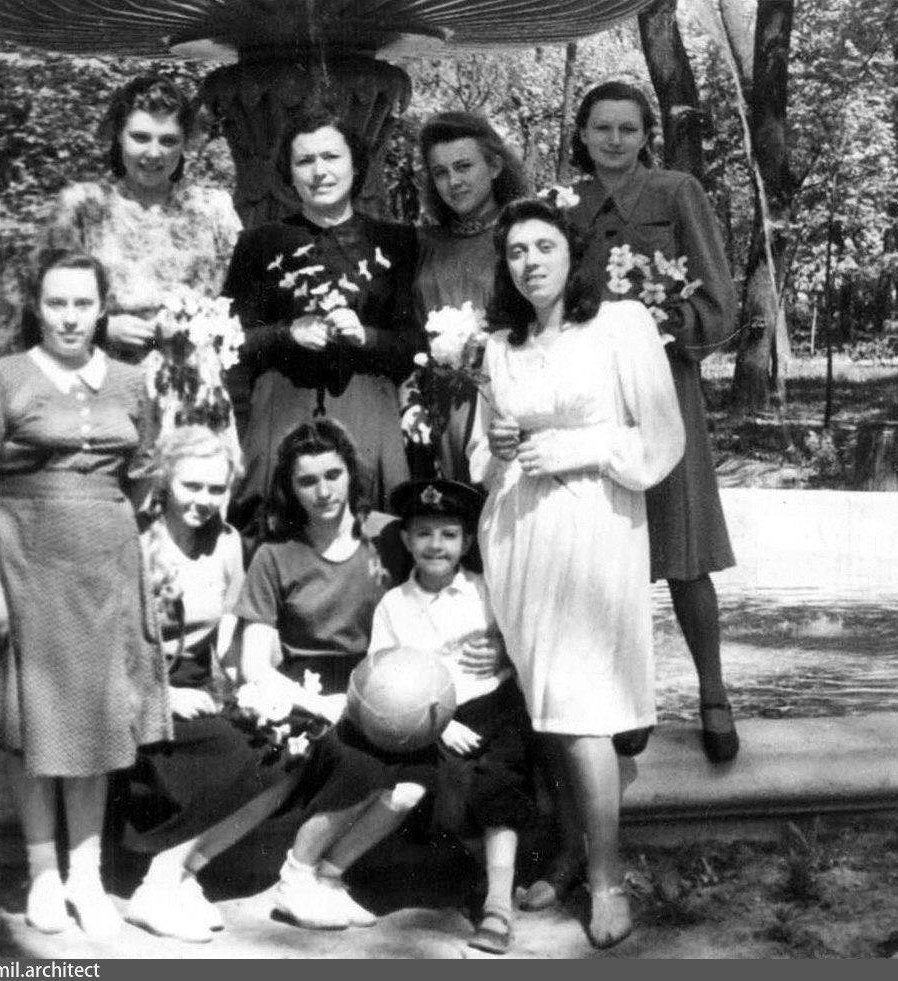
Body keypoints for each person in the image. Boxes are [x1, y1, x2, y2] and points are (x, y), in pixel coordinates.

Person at [468, 196, 685, 948]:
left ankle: (607, 879)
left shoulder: (620, 325)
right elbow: (479, 456)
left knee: (583, 704)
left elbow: (661, 439)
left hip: (593, 527)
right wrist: (497, 445)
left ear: (572, 253)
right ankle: (567, 852)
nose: (530, 262)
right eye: (516, 251)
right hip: (519, 533)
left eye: (543, 246)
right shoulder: (502, 346)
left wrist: (574, 447)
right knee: (548, 706)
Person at [0, 248, 169, 938]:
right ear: (37, 308)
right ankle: (43, 872)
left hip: (106, 568)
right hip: (25, 564)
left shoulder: (131, 381)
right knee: (34, 718)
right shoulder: (2, 378)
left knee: (99, 716)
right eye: (56, 303)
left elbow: (143, 475)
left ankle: (88, 876)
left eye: (83, 303)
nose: (70, 317)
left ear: (102, 308)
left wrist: (108, 526)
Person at [568, 80, 741, 763]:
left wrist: (662, 323)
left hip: (665, 386)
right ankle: (627, 697)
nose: (614, 140)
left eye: (627, 128)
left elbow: (717, 301)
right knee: (608, 551)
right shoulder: (564, 203)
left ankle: (713, 694)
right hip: (591, 394)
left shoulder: (677, 192)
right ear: (582, 134)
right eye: (601, 127)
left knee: (683, 546)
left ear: (645, 135)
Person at [233, 418, 429, 931]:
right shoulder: (275, 554)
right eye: (307, 480)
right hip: (306, 691)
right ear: (290, 487)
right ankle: (295, 875)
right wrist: (318, 705)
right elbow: (254, 662)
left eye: (332, 475)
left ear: (351, 473)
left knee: (419, 777)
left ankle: (329, 877)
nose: (323, 491)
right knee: (359, 762)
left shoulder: (388, 536)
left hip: (379, 681)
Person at [118, 425, 302, 943]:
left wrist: (255, 689)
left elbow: (228, 641)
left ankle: (183, 873)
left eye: (216, 489)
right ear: (164, 481)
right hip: (138, 692)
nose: (204, 500)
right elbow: (108, 644)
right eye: (191, 486)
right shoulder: (134, 540)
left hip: (200, 689)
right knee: (235, 754)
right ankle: (155, 888)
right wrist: (162, 695)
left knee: (289, 750)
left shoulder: (225, 542)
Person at [222, 105, 421, 538]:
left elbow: (414, 343)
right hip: (282, 407)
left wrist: (367, 336)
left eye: (331, 157)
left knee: (372, 532)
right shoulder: (259, 243)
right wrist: (285, 333)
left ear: (356, 165)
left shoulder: (398, 242)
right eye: (305, 160)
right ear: (289, 173)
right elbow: (230, 341)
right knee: (274, 530)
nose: (319, 171)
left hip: (367, 404)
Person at [368, 478, 536, 955]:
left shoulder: (487, 591)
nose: (435, 545)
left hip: (492, 705)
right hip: (426, 717)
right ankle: (487, 873)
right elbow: (381, 677)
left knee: (499, 780)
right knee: (447, 789)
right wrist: (438, 723)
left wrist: (505, 652)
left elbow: (524, 640)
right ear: (406, 540)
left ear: (465, 543)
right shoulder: (394, 606)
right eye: (424, 533)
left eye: (448, 534)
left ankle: (498, 907)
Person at [0, 74, 241, 362]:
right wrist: (102, 329)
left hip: (193, 373)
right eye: (140, 137)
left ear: (184, 144)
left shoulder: (212, 209)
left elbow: (244, 305)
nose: (154, 153)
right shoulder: (85, 207)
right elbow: (34, 305)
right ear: (119, 135)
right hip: (102, 374)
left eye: (169, 141)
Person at [404, 112, 530, 482]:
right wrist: (409, 399)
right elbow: (409, 334)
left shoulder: (522, 236)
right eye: (440, 172)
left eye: (463, 166)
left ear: (494, 166)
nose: (453, 182)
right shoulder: (425, 244)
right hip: (435, 405)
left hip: (502, 402)